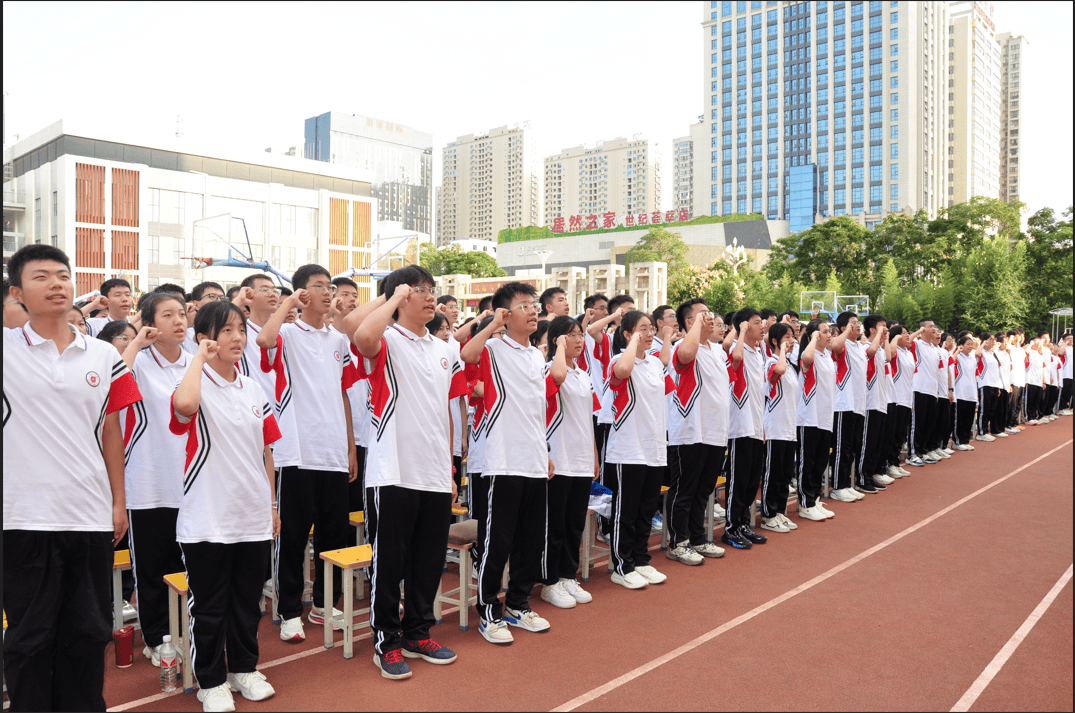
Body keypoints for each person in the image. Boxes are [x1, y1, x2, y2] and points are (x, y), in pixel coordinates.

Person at [4, 244, 142, 711]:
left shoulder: (104, 355)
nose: (57, 283)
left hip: (88, 515)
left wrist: (118, 502)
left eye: (63, 275)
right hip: (22, 518)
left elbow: (111, 430)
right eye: (41, 277)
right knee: (29, 637)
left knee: (88, 631)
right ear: (19, 292)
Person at [351, 266, 466, 678]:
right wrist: (393, 297)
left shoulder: (443, 349)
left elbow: (446, 413)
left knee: (430, 559)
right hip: (392, 470)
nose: (430, 295)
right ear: (399, 297)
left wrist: (451, 469)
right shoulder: (387, 339)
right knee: (390, 561)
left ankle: (418, 632)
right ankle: (387, 641)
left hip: (434, 471)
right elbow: (361, 337)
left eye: (432, 289)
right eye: (419, 289)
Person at [168, 300, 280, 710]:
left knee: (247, 602)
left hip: (251, 514)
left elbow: (267, 450)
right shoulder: (191, 382)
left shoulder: (253, 388)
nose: (237, 338)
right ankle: (211, 680)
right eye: (226, 331)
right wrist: (198, 357)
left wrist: (270, 505)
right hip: (207, 518)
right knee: (210, 606)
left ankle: (244, 669)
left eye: (240, 330)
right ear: (206, 339)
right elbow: (184, 408)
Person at [255, 265, 357, 642]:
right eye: (319, 287)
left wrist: (349, 446)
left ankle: (325, 603)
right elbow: (263, 341)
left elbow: (345, 393)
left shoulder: (338, 341)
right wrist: (287, 305)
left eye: (329, 286)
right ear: (301, 293)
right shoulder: (285, 334)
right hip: (296, 451)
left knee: (334, 534)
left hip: (331, 450)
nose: (328, 292)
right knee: (294, 536)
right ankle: (288, 610)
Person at [461, 283, 554, 643]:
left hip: (532, 458)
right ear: (505, 314)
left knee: (530, 540)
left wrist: (544, 452)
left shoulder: (536, 355)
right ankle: (488, 610)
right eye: (523, 306)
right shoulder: (494, 348)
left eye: (534, 305)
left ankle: (518, 604)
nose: (533, 311)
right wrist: (491, 324)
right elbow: (467, 355)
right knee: (497, 541)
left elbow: (536, 412)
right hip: (502, 461)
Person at [116, 292, 193, 667]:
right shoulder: (140, 364)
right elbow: (111, 387)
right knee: (151, 567)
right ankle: (157, 637)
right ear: (149, 322)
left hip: (191, 485)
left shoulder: (197, 364)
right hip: (148, 485)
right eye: (167, 315)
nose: (178, 320)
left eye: (181, 313)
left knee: (186, 565)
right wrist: (135, 342)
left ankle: (185, 631)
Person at [602, 309, 673, 587]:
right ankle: (623, 565)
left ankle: (641, 560)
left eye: (650, 329)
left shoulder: (654, 364)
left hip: (654, 447)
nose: (649, 334)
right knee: (626, 510)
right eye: (642, 329)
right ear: (628, 334)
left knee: (646, 509)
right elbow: (622, 372)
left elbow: (663, 360)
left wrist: (665, 337)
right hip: (628, 448)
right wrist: (632, 341)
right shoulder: (618, 360)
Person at [540, 316, 600, 607]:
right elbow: (557, 378)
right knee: (556, 525)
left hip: (580, 458)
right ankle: (549, 582)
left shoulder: (584, 375)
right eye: (571, 335)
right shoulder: (550, 369)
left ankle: (567, 576)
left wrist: (594, 457)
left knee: (575, 523)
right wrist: (559, 351)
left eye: (580, 335)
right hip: (558, 458)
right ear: (557, 340)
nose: (579, 339)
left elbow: (588, 419)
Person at [665, 299, 730, 560]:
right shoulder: (682, 346)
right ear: (689, 322)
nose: (711, 317)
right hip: (689, 430)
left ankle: (698, 538)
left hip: (715, 430)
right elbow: (686, 356)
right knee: (684, 489)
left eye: (711, 312)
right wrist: (693, 329)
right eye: (703, 314)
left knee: (704, 489)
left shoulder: (717, 351)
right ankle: (678, 543)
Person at [723, 307, 776, 546]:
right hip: (739, 427)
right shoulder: (739, 350)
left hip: (755, 426)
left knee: (752, 479)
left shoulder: (758, 354)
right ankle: (732, 528)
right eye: (756, 322)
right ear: (744, 326)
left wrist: (763, 427)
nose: (762, 325)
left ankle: (744, 524)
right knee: (739, 479)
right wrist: (740, 331)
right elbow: (734, 357)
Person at [759, 322, 800, 533]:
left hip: (789, 428)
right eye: (786, 337)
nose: (792, 341)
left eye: (793, 336)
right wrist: (782, 351)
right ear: (775, 341)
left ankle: (780, 512)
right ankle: (768, 514)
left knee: (785, 474)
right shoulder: (771, 362)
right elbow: (778, 370)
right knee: (772, 474)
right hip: (775, 427)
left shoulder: (792, 366)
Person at [795, 319, 837, 522]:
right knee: (808, 462)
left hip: (825, 416)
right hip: (809, 417)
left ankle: (814, 499)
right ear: (814, 335)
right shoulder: (807, 355)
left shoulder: (827, 355)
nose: (830, 334)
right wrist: (811, 338)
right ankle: (805, 503)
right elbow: (807, 357)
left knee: (820, 462)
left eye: (830, 331)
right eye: (825, 331)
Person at [828, 311, 869, 499]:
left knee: (853, 446)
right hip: (843, 403)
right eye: (854, 323)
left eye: (858, 322)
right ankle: (838, 485)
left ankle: (846, 482)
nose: (858, 325)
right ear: (843, 328)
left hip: (858, 403)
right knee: (841, 447)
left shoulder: (860, 347)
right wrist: (843, 332)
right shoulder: (841, 345)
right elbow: (834, 345)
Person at [858, 315, 893, 493]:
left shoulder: (879, 349)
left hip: (881, 401)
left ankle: (870, 474)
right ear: (872, 330)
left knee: (877, 442)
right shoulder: (865, 347)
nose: (886, 330)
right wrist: (879, 335)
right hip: (870, 403)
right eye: (882, 327)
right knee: (868, 442)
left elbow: (887, 356)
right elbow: (871, 351)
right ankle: (862, 477)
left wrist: (883, 338)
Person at [906, 319, 941, 467]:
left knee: (929, 423)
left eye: (934, 326)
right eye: (930, 326)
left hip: (932, 390)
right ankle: (912, 453)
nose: (934, 329)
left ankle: (923, 451)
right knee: (917, 424)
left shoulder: (934, 349)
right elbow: (907, 342)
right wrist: (920, 332)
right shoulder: (917, 345)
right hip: (919, 388)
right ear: (923, 329)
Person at [882, 326, 915, 477]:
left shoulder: (908, 353)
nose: (908, 335)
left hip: (907, 397)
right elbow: (891, 353)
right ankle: (890, 463)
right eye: (904, 333)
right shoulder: (895, 351)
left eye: (908, 333)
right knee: (894, 434)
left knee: (902, 434)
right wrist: (894, 338)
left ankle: (895, 462)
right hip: (897, 397)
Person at [952, 335, 982, 450]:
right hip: (960, 392)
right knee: (960, 418)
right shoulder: (958, 357)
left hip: (971, 392)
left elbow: (975, 375)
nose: (971, 346)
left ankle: (965, 440)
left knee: (969, 418)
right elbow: (950, 362)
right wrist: (957, 351)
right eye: (968, 344)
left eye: (972, 344)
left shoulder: (972, 358)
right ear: (961, 345)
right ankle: (957, 441)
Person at [976, 333, 1004, 441]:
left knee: (992, 409)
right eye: (990, 339)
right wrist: (982, 344)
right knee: (984, 409)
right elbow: (977, 354)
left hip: (995, 384)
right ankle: (981, 432)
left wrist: (999, 386)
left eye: (993, 340)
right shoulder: (981, 352)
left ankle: (986, 430)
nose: (992, 342)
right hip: (985, 384)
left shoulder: (993, 354)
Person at [1006, 329, 1027, 428]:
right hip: (1012, 380)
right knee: (1011, 404)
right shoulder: (1009, 348)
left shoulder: (1021, 350)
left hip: (1020, 380)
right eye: (1018, 336)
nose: (1021, 339)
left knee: (1018, 404)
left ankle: (1013, 423)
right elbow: (1008, 348)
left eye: (1022, 337)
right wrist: (1010, 339)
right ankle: (1008, 424)